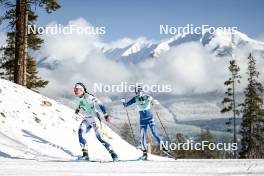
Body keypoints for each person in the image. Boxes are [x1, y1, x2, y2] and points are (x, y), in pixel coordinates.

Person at [74, 82, 118, 161]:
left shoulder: (88, 96)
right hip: (86, 119)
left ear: (82, 90)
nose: (74, 91)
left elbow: (101, 104)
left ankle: (113, 154)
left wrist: (105, 115)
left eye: (76, 89)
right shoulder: (79, 98)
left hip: (94, 118)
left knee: (100, 137)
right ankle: (85, 155)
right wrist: (78, 109)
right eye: (74, 89)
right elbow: (81, 104)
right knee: (81, 132)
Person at [121, 86, 168, 160]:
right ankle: (144, 154)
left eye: (139, 92)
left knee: (155, 133)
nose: (138, 94)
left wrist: (153, 101)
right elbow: (126, 105)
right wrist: (123, 102)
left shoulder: (147, 97)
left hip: (150, 119)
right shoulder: (135, 99)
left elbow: (156, 102)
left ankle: (164, 148)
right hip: (142, 120)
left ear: (142, 92)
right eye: (136, 93)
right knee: (142, 137)